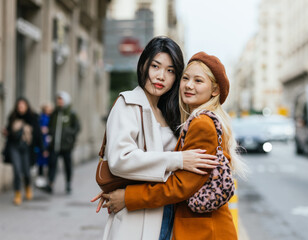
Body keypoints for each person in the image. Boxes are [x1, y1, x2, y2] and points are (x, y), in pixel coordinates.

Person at [96, 52, 248, 240]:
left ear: (215, 90)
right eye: (185, 78)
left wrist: (128, 197)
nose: (189, 85)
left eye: (198, 81)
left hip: (206, 231)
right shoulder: (196, 120)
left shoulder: (202, 123)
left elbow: (181, 186)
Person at [3, 97, 44, 205]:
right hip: (14, 147)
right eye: (19, 106)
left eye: (23, 106)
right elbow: (9, 130)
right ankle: (17, 194)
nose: (21, 108)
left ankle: (27, 187)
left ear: (26, 106)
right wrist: (6, 132)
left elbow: (38, 134)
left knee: (26, 171)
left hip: (27, 148)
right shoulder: (13, 117)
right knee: (17, 171)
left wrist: (43, 148)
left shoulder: (32, 118)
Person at [42, 91, 80, 194]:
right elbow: (51, 126)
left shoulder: (71, 113)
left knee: (67, 165)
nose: (60, 102)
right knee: (52, 164)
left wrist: (69, 136)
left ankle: (68, 183)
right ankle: (50, 184)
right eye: (58, 100)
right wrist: (49, 132)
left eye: (61, 100)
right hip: (54, 145)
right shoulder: (55, 113)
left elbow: (77, 128)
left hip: (66, 145)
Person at [35, 103, 53, 188]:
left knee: (47, 162)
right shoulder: (42, 118)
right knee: (41, 162)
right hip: (42, 142)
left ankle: (45, 179)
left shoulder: (51, 118)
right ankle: (40, 178)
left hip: (48, 142)